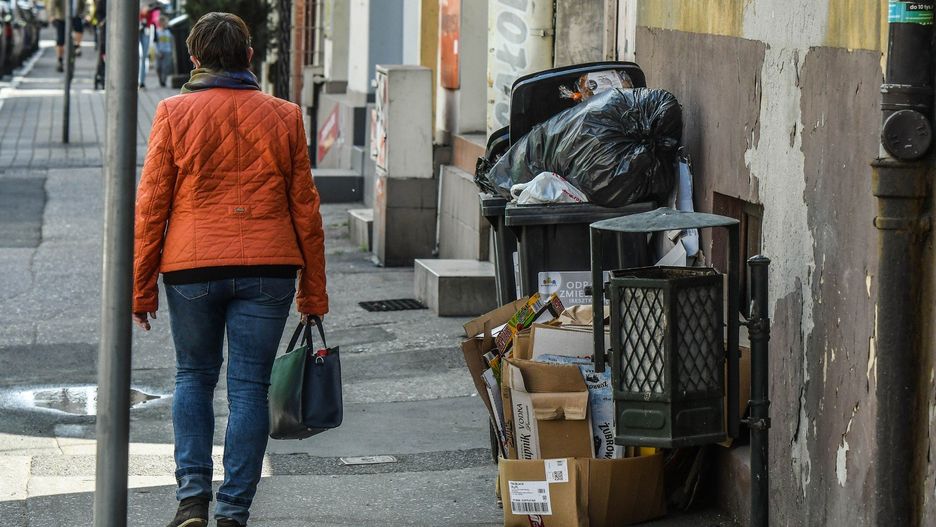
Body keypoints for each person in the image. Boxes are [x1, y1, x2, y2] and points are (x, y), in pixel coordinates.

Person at [132, 12, 328, 527]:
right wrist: (314, 292)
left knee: (193, 377)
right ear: (247, 56)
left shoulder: (173, 112)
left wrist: (142, 287)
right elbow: (305, 207)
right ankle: (233, 511)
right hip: (270, 266)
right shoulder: (284, 115)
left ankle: (192, 499)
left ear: (194, 58)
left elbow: (152, 204)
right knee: (249, 388)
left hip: (192, 267)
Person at [50, 0, 88, 72]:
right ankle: (60, 60)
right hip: (62, 18)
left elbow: (85, 4)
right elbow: (53, 3)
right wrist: (52, 15)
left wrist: (85, 14)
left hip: (75, 16)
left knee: (79, 28)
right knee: (60, 40)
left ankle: (77, 46)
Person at [154, 15, 173, 87]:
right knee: (158, 67)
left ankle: (163, 81)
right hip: (159, 52)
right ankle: (160, 79)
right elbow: (155, 43)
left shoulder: (169, 32)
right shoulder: (157, 32)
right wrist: (157, 52)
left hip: (167, 51)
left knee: (165, 67)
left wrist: (171, 51)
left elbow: (171, 42)